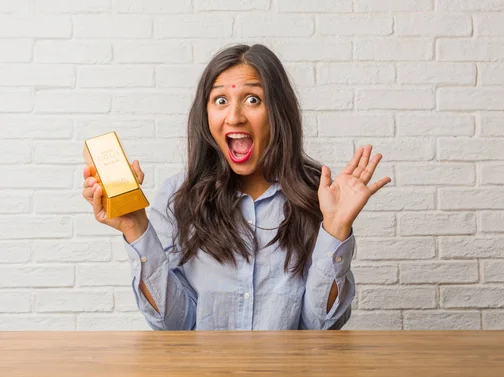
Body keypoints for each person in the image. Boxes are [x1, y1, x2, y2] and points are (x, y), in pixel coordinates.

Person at [81, 44, 390, 330]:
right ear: (206, 114)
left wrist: (335, 229)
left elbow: (320, 326)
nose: (235, 116)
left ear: (278, 113)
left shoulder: (319, 197)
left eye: (253, 99)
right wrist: (136, 228)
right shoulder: (177, 199)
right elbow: (176, 326)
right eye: (221, 100)